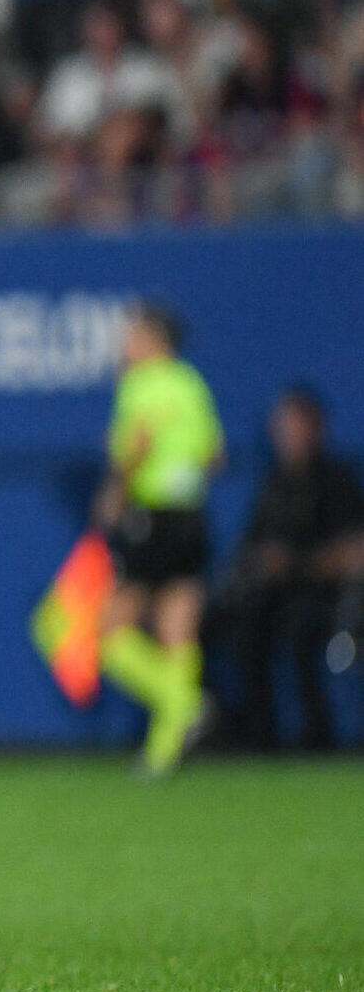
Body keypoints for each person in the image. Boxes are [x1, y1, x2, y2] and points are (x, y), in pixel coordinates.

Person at [95, 301, 224, 777]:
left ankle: (185, 704)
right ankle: (164, 751)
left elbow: (139, 443)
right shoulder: (191, 383)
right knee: (177, 630)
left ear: (152, 338)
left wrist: (116, 490)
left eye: (131, 335)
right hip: (192, 515)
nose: (124, 344)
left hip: (152, 516)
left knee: (110, 631)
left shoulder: (140, 383)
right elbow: (215, 455)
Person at [217, 387, 363, 751]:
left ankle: (317, 736)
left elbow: (355, 550)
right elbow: (251, 545)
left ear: (316, 428)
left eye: (295, 427)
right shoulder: (274, 483)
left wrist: (297, 563)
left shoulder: (338, 480)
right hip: (274, 594)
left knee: (300, 629)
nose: (288, 436)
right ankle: (258, 736)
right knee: (242, 628)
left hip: (326, 596)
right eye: (282, 427)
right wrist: (262, 562)